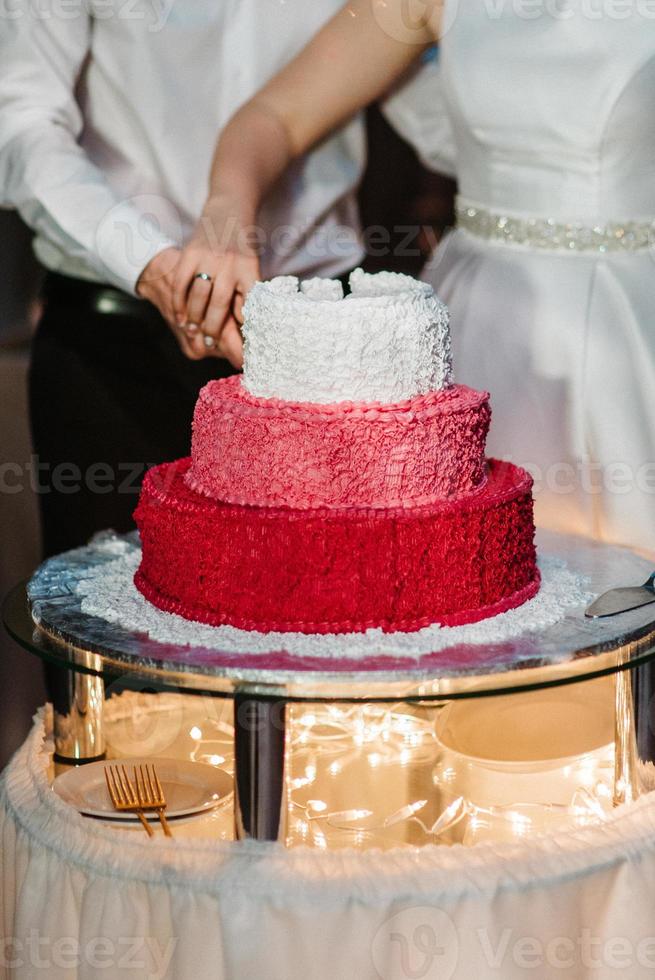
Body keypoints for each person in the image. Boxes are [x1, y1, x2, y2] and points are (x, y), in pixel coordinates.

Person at [173, 0, 655, 553]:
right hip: (479, 319)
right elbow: (275, 116)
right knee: (455, 576)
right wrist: (226, 211)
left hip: (635, 323)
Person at [0, 0, 368, 558]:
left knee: (323, 614)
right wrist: (150, 263)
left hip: (323, 334)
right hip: (118, 335)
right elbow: (20, 123)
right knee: (116, 613)